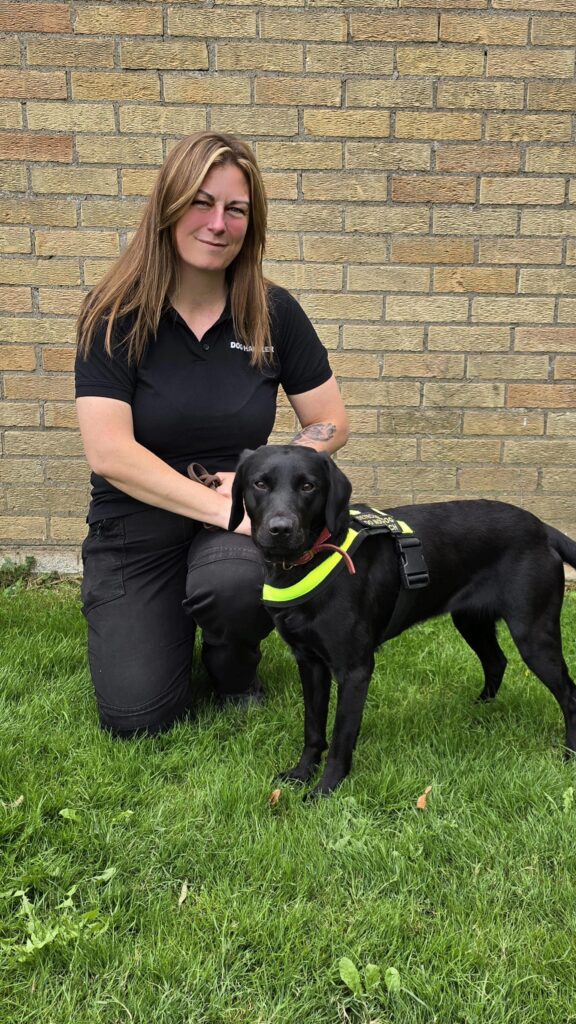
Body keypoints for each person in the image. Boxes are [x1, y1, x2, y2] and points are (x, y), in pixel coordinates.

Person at [74, 131, 349, 737]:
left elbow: (330, 419)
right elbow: (110, 453)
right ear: (169, 207)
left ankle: (233, 668)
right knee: (138, 719)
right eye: (202, 203)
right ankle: (146, 617)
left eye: (236, 210)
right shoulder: (113, 315)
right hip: (134, 522)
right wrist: (228, 508)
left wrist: (266, 485)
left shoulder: (274, 313)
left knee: (234, 583)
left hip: (230, 528)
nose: (218, 223)